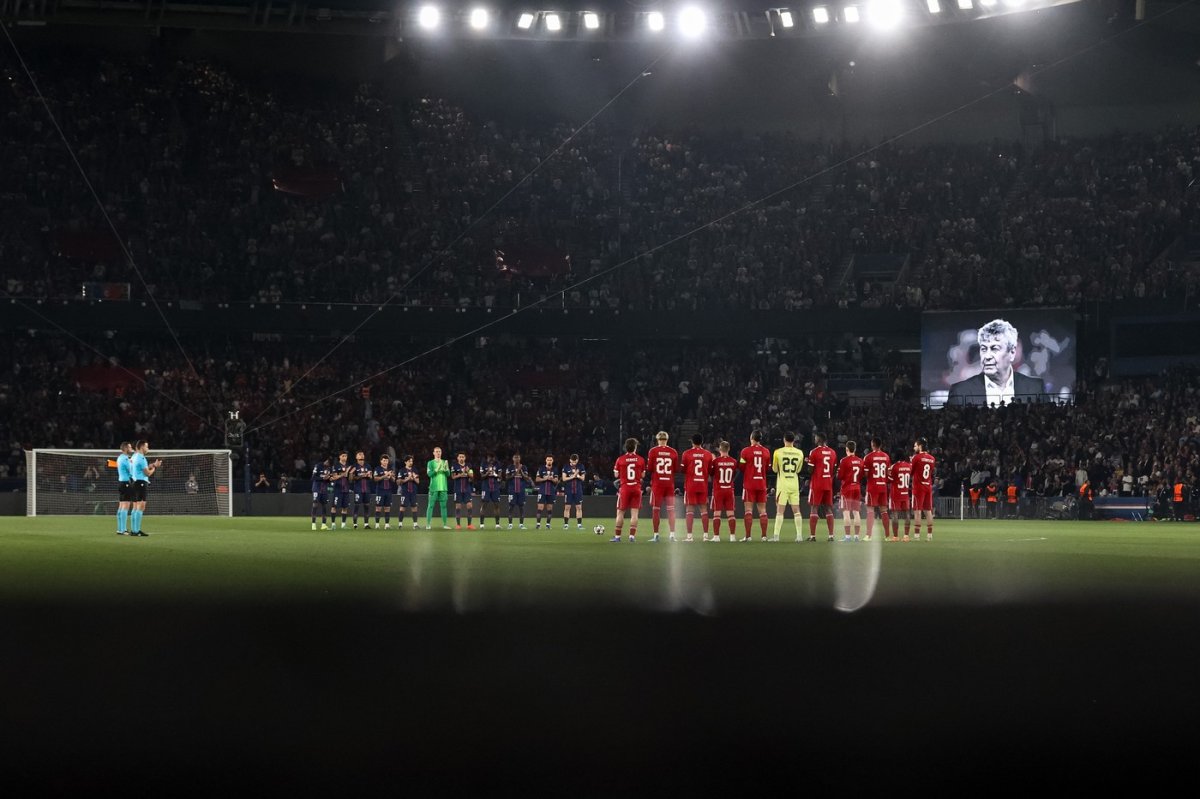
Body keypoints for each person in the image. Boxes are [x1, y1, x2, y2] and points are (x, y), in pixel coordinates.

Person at [947, 319, 1046, 406]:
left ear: (1012, 353)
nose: (987, 356)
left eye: (994, 349)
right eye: (984, 349)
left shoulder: (1035, 387)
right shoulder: (960, 391)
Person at [645, 431, 680, 542]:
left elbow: (649, 468)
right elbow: (676, 469)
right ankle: (672, 535)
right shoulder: (673, 452)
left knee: (656, 510)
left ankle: (656, 535)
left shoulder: (653, 451)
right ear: (667, 439)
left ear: (657, 439)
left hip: (657, 484)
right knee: (671, 510)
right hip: (669, 483)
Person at [771, 432, 805, 543]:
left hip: (783, 485)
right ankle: (799, 536)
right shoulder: (800, 453)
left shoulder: (778, 452)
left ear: (784, 440)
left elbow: (775, 469)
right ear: (794, 440)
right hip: (794, 484)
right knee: (797, 511)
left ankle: (776, 536)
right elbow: (799, 470)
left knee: (780, 511)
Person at [739, 430, 772, 542]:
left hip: (749, 484)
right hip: (761, 483)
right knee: (762, 510)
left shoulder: (745, 451)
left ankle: (748, 536)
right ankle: (764, 536)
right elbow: (767, 468)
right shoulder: (766, 452)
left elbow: (741, 467)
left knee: (748, 510)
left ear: (751, 438)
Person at [680, 434, 714, 542]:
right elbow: (710, 471)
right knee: (704, 510)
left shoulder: (686, 453)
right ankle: (705, 536)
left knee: (690, 510)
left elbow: (682, 470)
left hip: (691, 485)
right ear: (702, 442)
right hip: (702, 485)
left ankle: (689, 536)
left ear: (692, 442)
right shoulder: (708, 454)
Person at [611, 437, 646, 543]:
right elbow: (643, 475)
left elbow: (616, 474)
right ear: (635, 447)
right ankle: (631, 536)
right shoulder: (641, 459)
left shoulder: (620, 459)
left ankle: (617, 537)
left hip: (625, 488)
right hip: (636, 488)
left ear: (626, 448)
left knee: (620, 512)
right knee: (634, 513)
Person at [805, 432, 838, 542]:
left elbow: (810, 470)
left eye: (815, 438)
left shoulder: (814, 452)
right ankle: (831, 536)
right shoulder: (833, 452)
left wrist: (808, 462)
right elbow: (834, 470)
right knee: (828, 508)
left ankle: (813, 536)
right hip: (828, 484)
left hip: (817, 484)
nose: (814, 439)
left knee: (814, 508)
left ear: (819, 439)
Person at [128, 440, 162, 537]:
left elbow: (140, 468)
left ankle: (134, 530)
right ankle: (137, 530)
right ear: (142, 447)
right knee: (141, 507)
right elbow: (147, 473)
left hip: (134, 482)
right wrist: (155, 467)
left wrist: (152, 465)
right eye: (147, 447)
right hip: (141, 483)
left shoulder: (134, 456)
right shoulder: (141, 458)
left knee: (135, 507)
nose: (148, 449)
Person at [861, 438, 891, 541]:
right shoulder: (886, 457)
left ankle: (868, 535)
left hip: (873, 487)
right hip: (883, 486)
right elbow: (888, 473)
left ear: (872, 444)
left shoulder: (868, 457)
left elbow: (865, 474)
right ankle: (887, 536)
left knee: (870, 511)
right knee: (884, 511)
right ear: (880, 445)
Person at [709, 441, 739, 542]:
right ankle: (732, 537)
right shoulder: (734, 461)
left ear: (720, 449)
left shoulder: (716, 461)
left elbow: (711, 473)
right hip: (729, 489)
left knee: (717, 514)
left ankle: (716, 536)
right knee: (731, 514)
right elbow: (733, 475)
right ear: (729, 449)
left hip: (718, 490)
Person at [837, 440, 864, 542]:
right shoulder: (861, 461)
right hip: (857, 487)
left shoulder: (844, 461)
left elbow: (840, 476)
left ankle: (848, 537)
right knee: (856, 512)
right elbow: (861, 476)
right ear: (855, 449)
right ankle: (856, 536)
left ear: (847, 449)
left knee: (846, 512)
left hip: (847, 489)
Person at [911, 437, 936, 541]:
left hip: (918, 487)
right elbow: (931, 472)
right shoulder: (932, 458)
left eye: (915, 445)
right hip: (928, 486)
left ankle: (917, 536)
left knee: (917, 511)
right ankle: (929, 535)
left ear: (920, 446)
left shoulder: (916, 457)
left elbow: (911, 472)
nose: (914, 447)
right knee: (928, 511)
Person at [889, 453, 913, 541]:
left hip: (896, 494)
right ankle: (906, 536)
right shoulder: (909, 466)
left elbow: (889, 479)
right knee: (907, 514)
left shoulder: (894, 466)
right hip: (905, 493)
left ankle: (895, 536)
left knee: (895, 515)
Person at [425, 447, 451, 530]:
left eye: (439, 451)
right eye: (436, 451)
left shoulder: (444, 462)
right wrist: (436, 469)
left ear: (441, 452)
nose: (438, 453)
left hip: (443, 487)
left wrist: (446, 469)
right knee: (430, 506)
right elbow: (429, 474)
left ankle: (445, 524)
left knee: (443, 506)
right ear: (433, 453)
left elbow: (448, 474)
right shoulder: (430, 463)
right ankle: (428, 524)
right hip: (433, 488)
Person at [478, 451, 504, 529]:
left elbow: (500, 477)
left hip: (495, 487)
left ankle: (497, 524)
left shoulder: (498, 464)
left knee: (496, 505)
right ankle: (482, 524)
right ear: (487, 457)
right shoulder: (483, 464)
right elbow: (482, 477)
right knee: (484, 505)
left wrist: (495, 474)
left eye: (493, 457)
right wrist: (488, 473)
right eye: (490, 457)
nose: (491, 459)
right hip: (486, 487)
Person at [505, 453, 532, 530]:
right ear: (513, 458)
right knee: (511, 507)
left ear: (520, 458)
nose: (516, 459)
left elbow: (527, 478)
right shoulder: (510, 467)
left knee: (521, 507)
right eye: (515, 457)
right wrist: (515, 473)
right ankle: (510, 524)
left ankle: (521, 524)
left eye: (518, 457)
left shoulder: (524, 467)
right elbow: (507, 477)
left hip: (521, 490)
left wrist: (521, 471)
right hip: (512, 490)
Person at [450, 452, 476, 530]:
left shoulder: (469, 466)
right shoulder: (454, 466)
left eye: (463, 457)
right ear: (457, 458)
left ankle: (469, 525)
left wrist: (467, 472)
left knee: (469, 506)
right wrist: (460, 475)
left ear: (465, 458)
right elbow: (453, 477)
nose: (461, 458)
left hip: (467, 489)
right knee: (458, 506)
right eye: (460, 457)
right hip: (457, 489)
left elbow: (472, 477)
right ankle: (458, 525)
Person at [561, 454, 586, 530]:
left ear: (577, 460)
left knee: (579, 507)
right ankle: (566, 524)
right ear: (570, 460)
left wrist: (577, 476)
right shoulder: (566, 467)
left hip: (578, 490)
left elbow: (583, 478)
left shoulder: (581, 466)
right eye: (572, 462)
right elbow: (564, 479)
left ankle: (579, 525)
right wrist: (573, 476)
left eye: (575, 462)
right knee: (567, 507)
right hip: (568, 490)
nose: (574, 463)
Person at [351, 451, 375, 530]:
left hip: (367, 489)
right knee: (357, 506)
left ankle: (366, 524)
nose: (361, 455)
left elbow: (371, 477)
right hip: (358, 489)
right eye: (359, 454)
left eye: (362, 454)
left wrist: (369, 476)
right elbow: (352, 479)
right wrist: (362, 476)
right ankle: (355, 524)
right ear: (356, 457)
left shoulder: (368, 466)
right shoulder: (354, 466)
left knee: (367, 506)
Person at [534, 455, 559, 530]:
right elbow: (537, 479)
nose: (549, 461)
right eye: (548, 460)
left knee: (550, 509)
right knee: (540, 508)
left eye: (551, 460)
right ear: (546, 460)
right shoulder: (541, 468)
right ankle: (538, 524)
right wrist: (544, 478)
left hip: (551, 491)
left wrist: (551, 479)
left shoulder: (555, 469)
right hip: (542, 491)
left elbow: (556, 480)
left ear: (552, 461)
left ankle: (548, 524)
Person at [115, 441, 134, 536]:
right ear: (126, 448)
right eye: (130, 447)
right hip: (126, 483)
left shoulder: (119, 458)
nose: (131, 449)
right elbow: (131, 470)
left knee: (121, 506)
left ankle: (119, 529)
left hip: (121, 482)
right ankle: (124, 529)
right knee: (125, 506)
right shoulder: (125, 459)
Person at [397, 455, 421, 529]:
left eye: (412, 461)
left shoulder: (415, 470)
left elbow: (418, 481)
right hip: (405, 492)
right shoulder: (402, 470)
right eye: (409, 461)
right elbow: (398, 482)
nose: (411, 462)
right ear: (405, 462)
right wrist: (407, 479)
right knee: (402, 508)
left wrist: (413, 478)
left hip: (413, 492)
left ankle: (415, 524)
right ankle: (400, 524)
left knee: (414, 508)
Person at [331, 451, 352, 529]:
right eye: (343, 456)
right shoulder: (336, 466)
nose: (344, 457)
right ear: (340, 457)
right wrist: (344, 473)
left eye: (346, 456)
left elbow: (350, 480)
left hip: (346, 489)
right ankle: (333, 524)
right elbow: (334, 477)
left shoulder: (348, 466)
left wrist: (350, 474)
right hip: (338, 489)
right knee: (334, 507)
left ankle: (343, 525)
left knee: (345, 507)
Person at [374, 455, 396, 529]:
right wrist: (384, 476)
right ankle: (377, 525)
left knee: (387, 508)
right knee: (378, 508)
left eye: (386, 461)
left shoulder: (390, 469)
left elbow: (394, 480)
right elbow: (375, 479)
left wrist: (390, 477)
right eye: (384, 460)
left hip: (388, 491)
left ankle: (387, 525)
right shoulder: (378, 469)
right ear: (381, 461)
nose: (385, 462)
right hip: (380, 491)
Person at [310, 457, 332, 531]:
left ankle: (323, 525)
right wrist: (323, 478)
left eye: (329, 464)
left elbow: (328, 480)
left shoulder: (329, 469)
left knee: (324, 506)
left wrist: (329, 479)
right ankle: (313, 524)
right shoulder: (318, 466)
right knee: (315, 505)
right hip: (317, 489)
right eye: (327, 463)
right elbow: (313, 477)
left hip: (324, 490)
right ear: (326, 461)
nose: (328, 465)